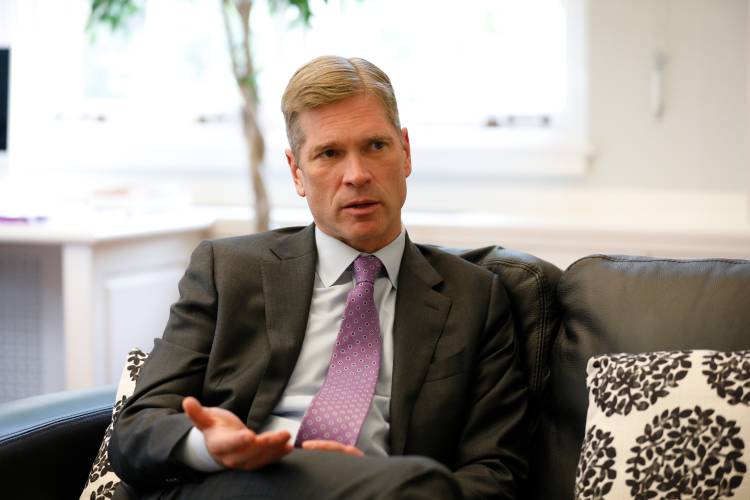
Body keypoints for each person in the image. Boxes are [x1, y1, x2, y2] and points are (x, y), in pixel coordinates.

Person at [109, 55, 528, 500]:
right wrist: (211, 447)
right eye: (329, 154)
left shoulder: (476, 298)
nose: (357, 175)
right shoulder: (228, 269)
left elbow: (496, 471)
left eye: (375, 146)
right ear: (297, 173)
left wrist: (370, 482)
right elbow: (136, 429)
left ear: (405, 153)